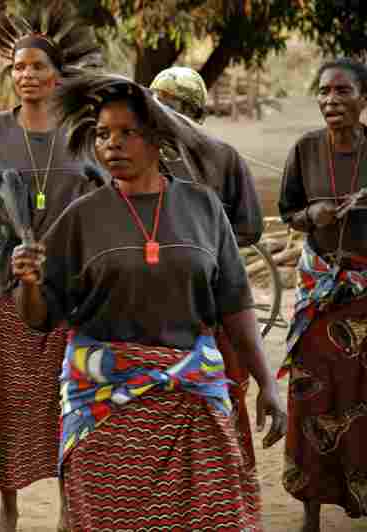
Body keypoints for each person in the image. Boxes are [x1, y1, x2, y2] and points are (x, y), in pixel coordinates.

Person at [11, 72, 287, 531]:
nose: (111, 145)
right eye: (102, 134)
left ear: (158, 138)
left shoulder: (203, 208)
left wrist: (268, 385)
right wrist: (29, 283)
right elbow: (39, 319)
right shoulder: (82, 217)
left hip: (192, 400)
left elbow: (234, 303)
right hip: (105, 411)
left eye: (126, 133)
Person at [0, 3, 103, 530]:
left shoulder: (83, 130)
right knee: (8, 398)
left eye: (36, 66)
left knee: (71, 392)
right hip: (7, 286)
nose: (26, 75)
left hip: (73, 285)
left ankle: (65, 507)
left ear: (58, 75)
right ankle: (8, 508)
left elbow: (111, 190)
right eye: (17, 67)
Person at [150, 65, 263, 483]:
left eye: (172, 106)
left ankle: (224, 493)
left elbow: (249, 228)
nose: (163, 114)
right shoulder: (133, 159)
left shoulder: (222, 158)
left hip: (213, 307)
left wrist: (202, 242)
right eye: (157, 104)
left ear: (192, 112)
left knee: (223, 398)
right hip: (151, 310)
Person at [278, 58, 367, 532]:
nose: (331, 101)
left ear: (363, 98)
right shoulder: (305, 150)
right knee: (312, 394)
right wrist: (312, 215)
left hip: (365, 295)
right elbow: (288, 211)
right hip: (319, 295)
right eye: (324, 92)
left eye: (342, 91)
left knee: (362, 397)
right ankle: (310, 511)